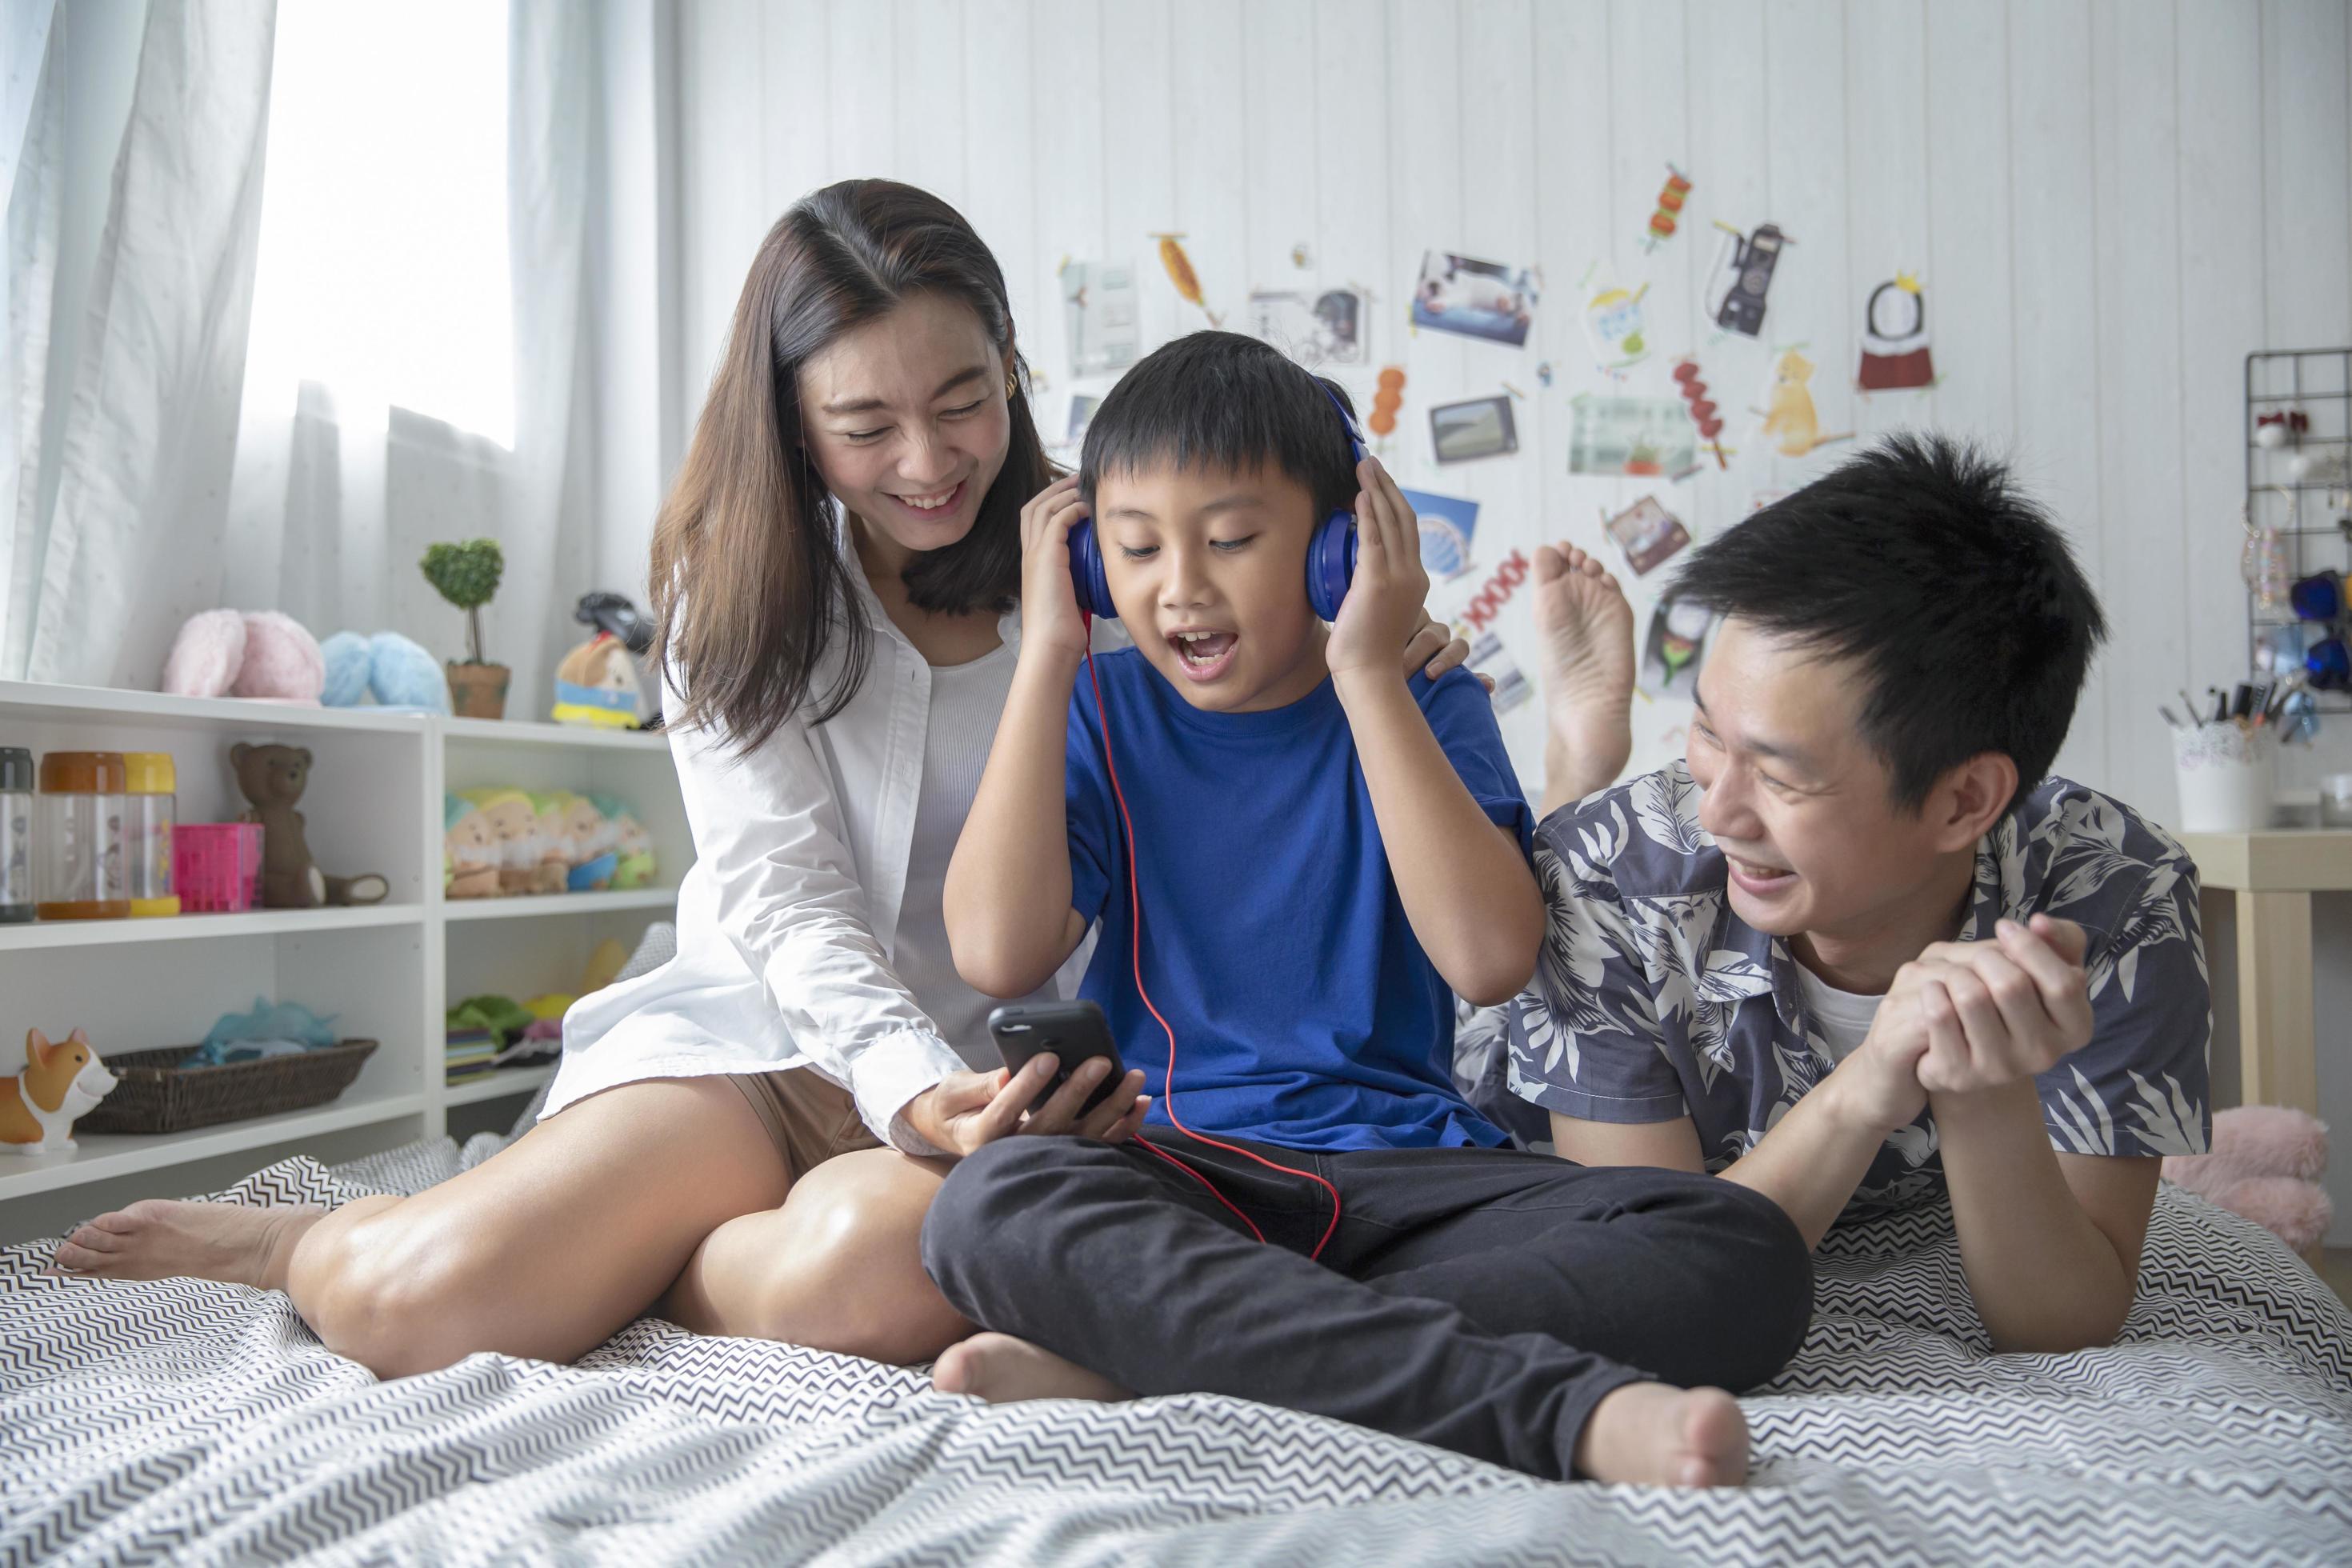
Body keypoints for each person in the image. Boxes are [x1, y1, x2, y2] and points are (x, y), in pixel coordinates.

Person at [46, 182, 1607, 1378]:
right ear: (795, 423)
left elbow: (1237, 721)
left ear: (1013, 368)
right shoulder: (740, 596)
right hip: (764, 1043)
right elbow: (787, 903)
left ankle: (633, 1266)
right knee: (418, 1304)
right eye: (866, 425)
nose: (929, 461)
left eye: (964, 402)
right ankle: (324, 1233)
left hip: (987, 1091)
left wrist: (1398, 656)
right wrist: (899, 1083)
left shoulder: (1109, 580)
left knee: (895, 1279)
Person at [922, 332, 1813, 1487]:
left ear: (1341, 550)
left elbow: (1491, 960)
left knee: (1740, 1248)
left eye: (1231, 540)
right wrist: (1047, 650)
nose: (1179, 586)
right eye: (1134, 550)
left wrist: (1370, 672)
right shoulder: (1095, 704)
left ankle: (1151, 1357)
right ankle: (1558, 1415)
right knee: (986, 1205)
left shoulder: (1426, 700)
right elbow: (997, 950)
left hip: (1412, 1174)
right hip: (1183, 1169)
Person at [1500, 434, 2209, 1354]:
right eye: (1708, 734)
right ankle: (1576, 763)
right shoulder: (1604, 871)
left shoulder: (2116, 897)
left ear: (1965, 800)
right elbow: (1645, 1275)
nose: (1720, 809)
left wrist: (1978, 1079)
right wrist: (1866, 1085)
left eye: (1782, 779)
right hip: (1500, 1085)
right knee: (1536, 878)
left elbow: (2062, 1319)